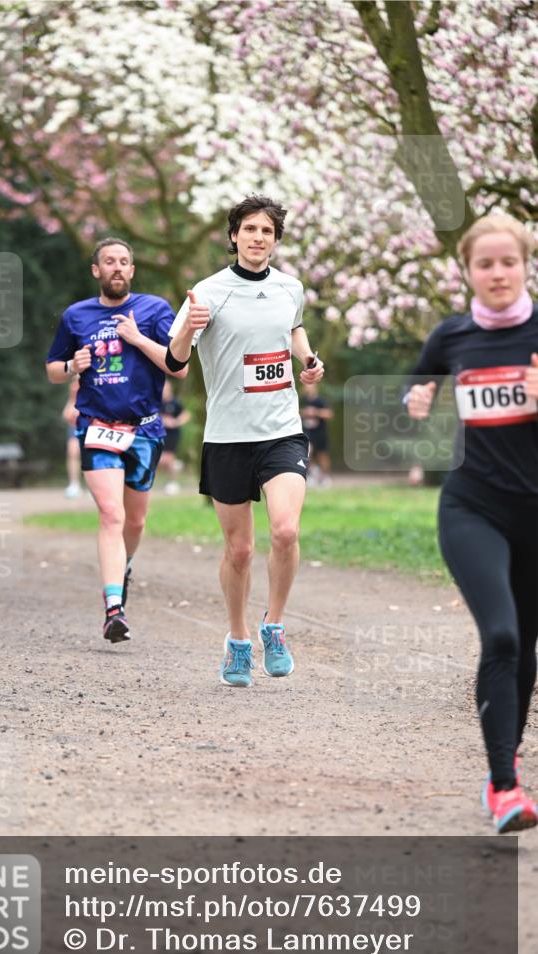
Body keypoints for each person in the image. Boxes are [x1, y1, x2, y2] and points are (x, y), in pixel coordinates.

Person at [406, 212, 538, 834]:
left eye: (507, 261)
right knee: (504, 636)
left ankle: (501, 761)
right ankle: (506, 789)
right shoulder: (451, 337)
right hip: (472, 506)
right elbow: (415, 390)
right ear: (468, 272)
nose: (497, 273)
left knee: (527, 644)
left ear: (525, 264)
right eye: (484, 264)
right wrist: (415, 400)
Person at [167, 194, 325, 687]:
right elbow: (175, 362)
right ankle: (237, 640)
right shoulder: (206, 293)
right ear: (234, 235)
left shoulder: (290, 288)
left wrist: (307, 358)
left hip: (281, 430)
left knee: (285, 531)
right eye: (250, 229)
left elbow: (293, 329)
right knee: (239, 551)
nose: (259, 238)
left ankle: (273, 625)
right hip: (228, 437)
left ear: (276, 241)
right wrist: (187, 330)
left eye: (267, 231)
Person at [45, 238, 185, 643]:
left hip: (143, 428)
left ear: (132, 270)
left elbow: (178, 366)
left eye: (124, 261)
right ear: (96, 270)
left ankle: (122, 567)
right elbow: (53, 368)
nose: (117, 268)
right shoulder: (77, 315)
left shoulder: (155, 309)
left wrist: (139, 338)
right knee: (111, 514)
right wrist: (72, 365)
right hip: (97, 426)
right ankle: (113, 609)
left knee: (135, 520)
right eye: (109, 261)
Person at [158, 379, 191, 494]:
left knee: (168, 458)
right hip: (159, 433)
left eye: (166, 389)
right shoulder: (157, 403)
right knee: (161, 460)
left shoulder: (175, 402)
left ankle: (172, 483)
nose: (164, 391)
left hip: (173, 434)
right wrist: (163, 421)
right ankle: (176, 466)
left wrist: (176, 422)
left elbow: (186, 415)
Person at [300, 384, 334, 487]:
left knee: (322, 455)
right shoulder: (302, 400)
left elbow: (329, 414)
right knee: (308, 454)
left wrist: (315, 412)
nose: (308, 388)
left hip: (319, 433)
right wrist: (304, 412)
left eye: (310, 387)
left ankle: (325, 477)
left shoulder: (321, 400)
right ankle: (312, 476)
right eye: (307, 387)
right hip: (306, 433)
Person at [62, 378, 83, 498]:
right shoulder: (74, 384)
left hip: (92, 422)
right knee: (72, 452)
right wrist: (67, 411)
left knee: (91, 454)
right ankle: (74, 485)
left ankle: (94, 487)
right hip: (75, 424)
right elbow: (71, 401)